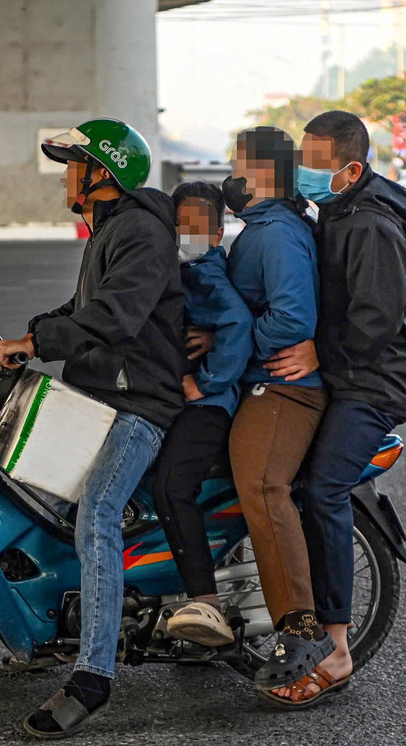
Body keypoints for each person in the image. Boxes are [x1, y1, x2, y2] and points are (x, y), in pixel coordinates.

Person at [0, 118, 183, 739]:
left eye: (74, 166)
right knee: (28, 482)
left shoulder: (141, 233)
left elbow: (114, 318)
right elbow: (81, 309)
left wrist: (37, 342)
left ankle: (94, 677)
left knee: (97, 511)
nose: (66, 177)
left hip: (138, 404)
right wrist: (27, 335)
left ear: (104, 173)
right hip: (101, 394)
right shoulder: (109, 229)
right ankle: (54, 630)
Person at [262, 110, 406, 707]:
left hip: (373, 382)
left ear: (351, 171)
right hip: (341, 372)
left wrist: (316, 352)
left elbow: (374, 322)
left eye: (313, 163)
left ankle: (335, 648)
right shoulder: (335, 211)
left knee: (322, 488)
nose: (301, 171)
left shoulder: (372, 226)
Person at [222, 127, 335, 692]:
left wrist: (231, 342)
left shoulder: (279, 234)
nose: (231, 177)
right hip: (258, 378)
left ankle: (302, 626)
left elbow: (292, 319)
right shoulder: (264, 228)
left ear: (262, 173)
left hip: (284, 388)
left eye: (237, 166)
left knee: (263, 485)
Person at [152, 181, 253, 647]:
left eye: (198, 226)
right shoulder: (181, 268)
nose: (187, 233)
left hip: (209, 405)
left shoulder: (205, 273)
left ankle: (205, 601)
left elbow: (238, 323)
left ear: (217, 234)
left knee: (173, 486)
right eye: (180, 223)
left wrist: (205, 381)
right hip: (186, 400)